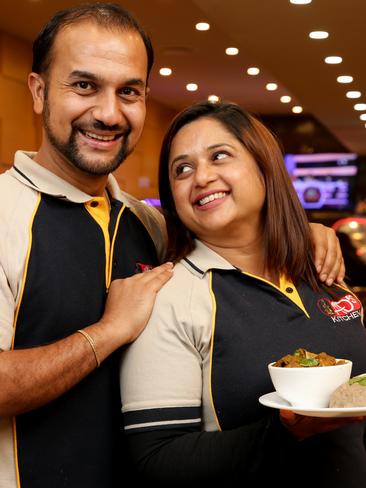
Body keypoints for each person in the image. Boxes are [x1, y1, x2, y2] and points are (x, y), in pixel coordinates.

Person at [0, 3, 345, 487]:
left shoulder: (152, 225)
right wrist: (107, 331)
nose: (107, 112)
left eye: (129, 92)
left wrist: (302, 232)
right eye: (84, 85)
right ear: (37, 91)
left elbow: (233, 235)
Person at [120, 101, 366, 487]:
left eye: (219, 156)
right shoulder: (172, 296)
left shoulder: (323, 267)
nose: (201, 177)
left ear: (264, 166)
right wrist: (287, 432)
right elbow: (157, 459)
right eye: (181, 169)